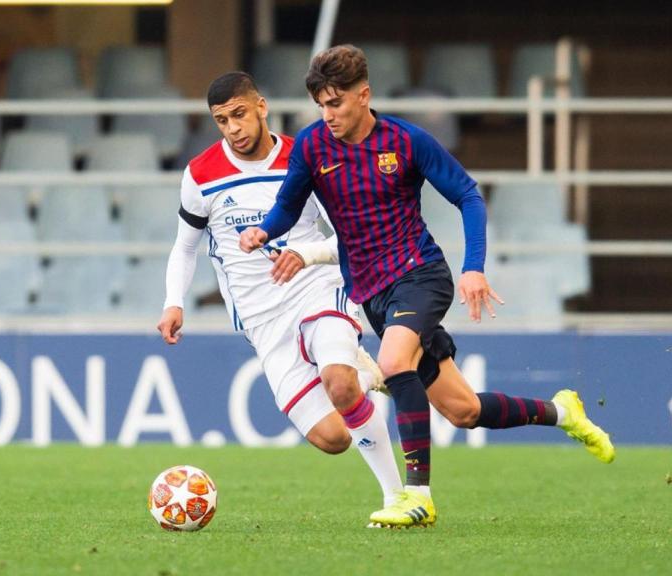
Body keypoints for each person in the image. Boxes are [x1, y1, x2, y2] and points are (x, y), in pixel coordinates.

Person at [240, 44, 615, 528]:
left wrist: (474, 266)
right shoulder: (313, 147)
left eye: (335, 103)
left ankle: (416, 497)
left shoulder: (406, 142)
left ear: (363, 95)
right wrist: (265, 231)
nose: (327, 114)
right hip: (373, 294)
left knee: (395, 363)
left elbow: (468, 195)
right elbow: (288, 206)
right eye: (320, 104)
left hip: (420, 276)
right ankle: (563, 412)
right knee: (464, 410)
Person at [156, 71, 404, 521]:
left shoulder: (306, 156)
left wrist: (304, 256)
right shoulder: (200, 174)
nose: (233, 128)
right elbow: (185, 246)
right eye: (221, 120)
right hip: (261, 319)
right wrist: (174, 301)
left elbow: (350, 236)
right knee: (333, 438)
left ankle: (395, 497)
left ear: (261, 107)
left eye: (239, 115)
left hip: (315, 290)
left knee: (338, 382)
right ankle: (368, 375)